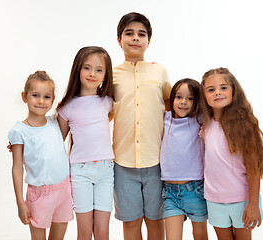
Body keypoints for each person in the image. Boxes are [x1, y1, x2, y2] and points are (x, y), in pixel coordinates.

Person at [112, 12, 172, 240]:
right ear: (119, 40)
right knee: (131, 222)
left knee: (156, 221)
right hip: (123, 162)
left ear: (149, 41)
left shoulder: (159, 71)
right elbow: (101, 112)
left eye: (141, 34)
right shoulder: (112, 75)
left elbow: (172, 109)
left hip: (156, 161)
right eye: (129, 33)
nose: (135, 38)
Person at [201, 67, 263, 240]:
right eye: (211, 89)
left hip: (241, 199)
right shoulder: (204, 125)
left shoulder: (244, 126)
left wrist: (253, 204)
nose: (217, 92)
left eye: (223, 87)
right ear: (204, 95)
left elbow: (254, 168)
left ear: (233, 91)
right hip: (214, 199)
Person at [56, 46, 114, 240]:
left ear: (106, 75)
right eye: (87, 68)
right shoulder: (67, 107)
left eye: (99, 70)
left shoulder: (108, 101)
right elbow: (56, 141)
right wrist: (23, 142)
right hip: (80, 171)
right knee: (84, 231)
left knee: (102, 231)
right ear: (77, 70)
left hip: (106, 170)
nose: (92, 74)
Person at [8, 71, 73, 240]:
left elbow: (70, 107)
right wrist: (20, 203)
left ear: (52, 100)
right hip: (39, 195)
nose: (41, 101)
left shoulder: (56, 123)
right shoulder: (19, 131)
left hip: (63, 190)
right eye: (35, 95)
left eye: (46, 97)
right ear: (24, 96)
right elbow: (16, 168)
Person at [160, 78, 209, 240]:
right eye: (179, 97)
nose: (183, 102)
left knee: (200, 234)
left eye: (190, 98)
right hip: (169, 192)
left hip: (194, 189)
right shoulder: (165, 119)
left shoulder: (199, 119)